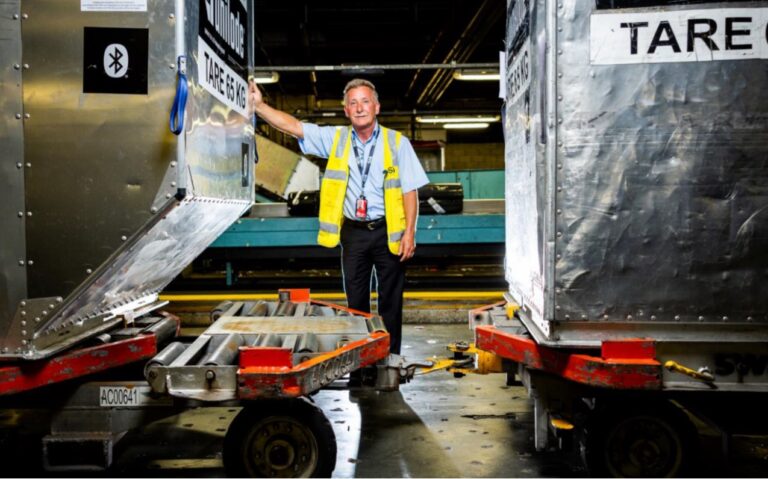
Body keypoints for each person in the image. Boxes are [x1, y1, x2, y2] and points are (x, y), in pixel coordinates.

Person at [248, 78, 429, 355]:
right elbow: (294, 127)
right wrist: (259, 106)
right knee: (356, 303)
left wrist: (410, 233)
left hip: (387, 232)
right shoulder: (337, 139)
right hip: (353, 233)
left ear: (377, 107)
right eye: (353, 103)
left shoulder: (397, 143)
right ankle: (361, 360)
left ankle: (390, 360)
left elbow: (409, 191)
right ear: (346, 110)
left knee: (390, 302)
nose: (360, 108)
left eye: (365, 101)